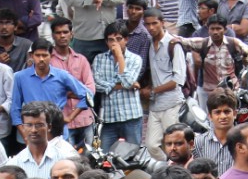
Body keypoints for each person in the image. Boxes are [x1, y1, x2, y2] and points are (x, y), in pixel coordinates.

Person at [10, 42, 92, 143]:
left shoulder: (62, 75)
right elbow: (15, 108)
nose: (41, 59)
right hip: (33, 133)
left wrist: (70, 117)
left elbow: (87, 95)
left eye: (44, 55)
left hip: (57, 133)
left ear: (51, 56)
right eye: (38, 55)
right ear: (32, 56)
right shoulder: (20, 77)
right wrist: (25, 136)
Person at [140, 8, 188, 158]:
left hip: (172, 103)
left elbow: (178, 80)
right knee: (151, 145)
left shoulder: (173, 44)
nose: (151, 28)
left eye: (154, 23)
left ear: (162, 23)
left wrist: (153, 91)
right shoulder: (149, 44)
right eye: (147, 24)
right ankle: (169, 166)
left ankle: (178, 169)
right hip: (155, 104)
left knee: (174, 143)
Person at [93, 21, 145, 152]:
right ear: (106, 42)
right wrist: (118, 84)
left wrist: (120, 58)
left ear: (126, 39)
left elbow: (127, 82)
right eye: (111, 40)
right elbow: (97, 85)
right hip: (109, 118)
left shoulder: (135, 59)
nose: (114, 43)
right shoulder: (99, 59)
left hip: (131, 116)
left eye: (118, 39)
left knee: (133, 156)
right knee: (104, 156)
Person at [49, 17, 97, 148]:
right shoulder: (48, 61)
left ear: (72, 34)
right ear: (53, 35)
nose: (62, 36)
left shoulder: (81, 60)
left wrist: (68, 93)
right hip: (62, 121)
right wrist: (78, 92)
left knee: (90, 158)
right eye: (58, 33)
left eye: (65, 32)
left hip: (85, 119)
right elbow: (51, 92)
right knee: (68, 160)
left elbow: (90, 91)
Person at [0, 8, 34, 74]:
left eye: (8, 23)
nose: (4, 27)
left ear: (15, 27)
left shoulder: (26, 45)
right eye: (0, 23)